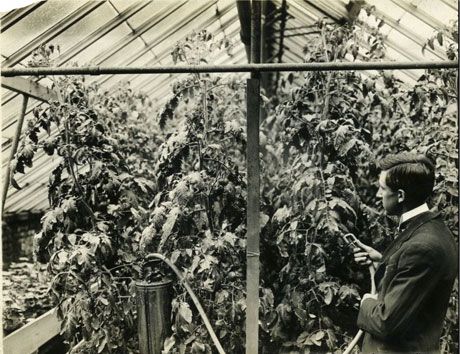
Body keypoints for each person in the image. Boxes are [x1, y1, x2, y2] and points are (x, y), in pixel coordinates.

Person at [353, 152, 458, 353]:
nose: (377, 195)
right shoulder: (429, 227)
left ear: (400, 195)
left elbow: (385, 322)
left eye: (382, 189)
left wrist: (367, 301)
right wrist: (382, 262)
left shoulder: (424, 248)